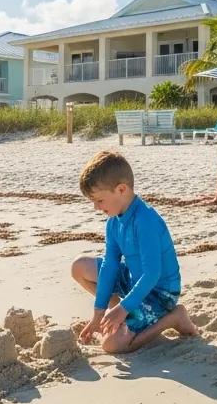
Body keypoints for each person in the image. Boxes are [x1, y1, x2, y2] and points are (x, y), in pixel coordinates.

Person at [71, 151, 198, 353]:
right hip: (133, 281)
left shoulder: (145, 220)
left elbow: (152, 274)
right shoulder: (113, 222)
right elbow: (110, 265)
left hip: (159, 292)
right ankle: (119, 314)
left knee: (112, 345)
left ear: (121, 189)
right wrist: (99, 311)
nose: (96, 207)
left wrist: (124, 308)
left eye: (99, 200)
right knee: (79, 267)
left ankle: (173, 318)